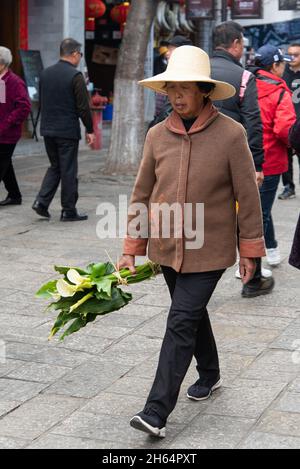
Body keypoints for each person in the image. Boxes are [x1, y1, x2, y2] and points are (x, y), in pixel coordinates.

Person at [117, 46, 265, 438]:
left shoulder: (231, 135)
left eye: (184, 89)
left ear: (203, 91)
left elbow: (248, 198)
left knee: (180, 320)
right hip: (166, 248)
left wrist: (250, 250)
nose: (177, 96)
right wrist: (132, 247)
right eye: (171, 89)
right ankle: (211, 372)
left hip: (210, 248)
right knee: (191, 314)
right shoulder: (156, 135)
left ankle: (155, 410)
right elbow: (141, 194)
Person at [210, 22, 274, 288]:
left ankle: (193, 273)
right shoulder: (244, 77)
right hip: (232, 158)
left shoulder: (197, 72)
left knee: (200, 211)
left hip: (194, 155)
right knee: (247, 213)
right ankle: (253, 280)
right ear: (236, 43)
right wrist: (257, 164)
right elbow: (253, 124)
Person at [243, 45, 296, 296]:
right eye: (282, 63)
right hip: (271, 160)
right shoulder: (278, 90)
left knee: (261, 207)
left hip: (245, 157)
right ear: (274, 66)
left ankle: (272, 250)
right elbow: (284, 128)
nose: (284, 66)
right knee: (259, 213)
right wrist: (293, 144)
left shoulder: (245, 85)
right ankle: (250, 263)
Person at [32, 38, 95, 222]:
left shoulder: (45, 74)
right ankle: (68, 210)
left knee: (55, 167)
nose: (80, 58)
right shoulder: (75, 76)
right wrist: (90, 130)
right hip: (67, 130)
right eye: (80, 54)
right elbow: (83, 107)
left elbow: (43, 101)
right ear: (75, 54)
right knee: (68, 169)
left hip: (48, 129)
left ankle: (41, 203)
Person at [0, 46, 31, 206]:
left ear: (2, 64)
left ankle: (14, 195)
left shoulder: (15, 82)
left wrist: (6, 124)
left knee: (1, 162)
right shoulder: (1, 80)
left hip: (8, 133)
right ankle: (14, 195)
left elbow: (24, 107)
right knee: (6, 164)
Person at [149, 35, 193, 129]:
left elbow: (167, 111)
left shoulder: (183, 76)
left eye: (171, 50)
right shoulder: (170, 71)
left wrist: (157, 128)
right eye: (167, 50)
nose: (167, 53)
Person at [279, 43, 300, 200]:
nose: (292, 57)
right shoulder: (282, 73)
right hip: (286, 122)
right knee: (286, 159)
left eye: (296, 54)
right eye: (290, 54)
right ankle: (288, 187)